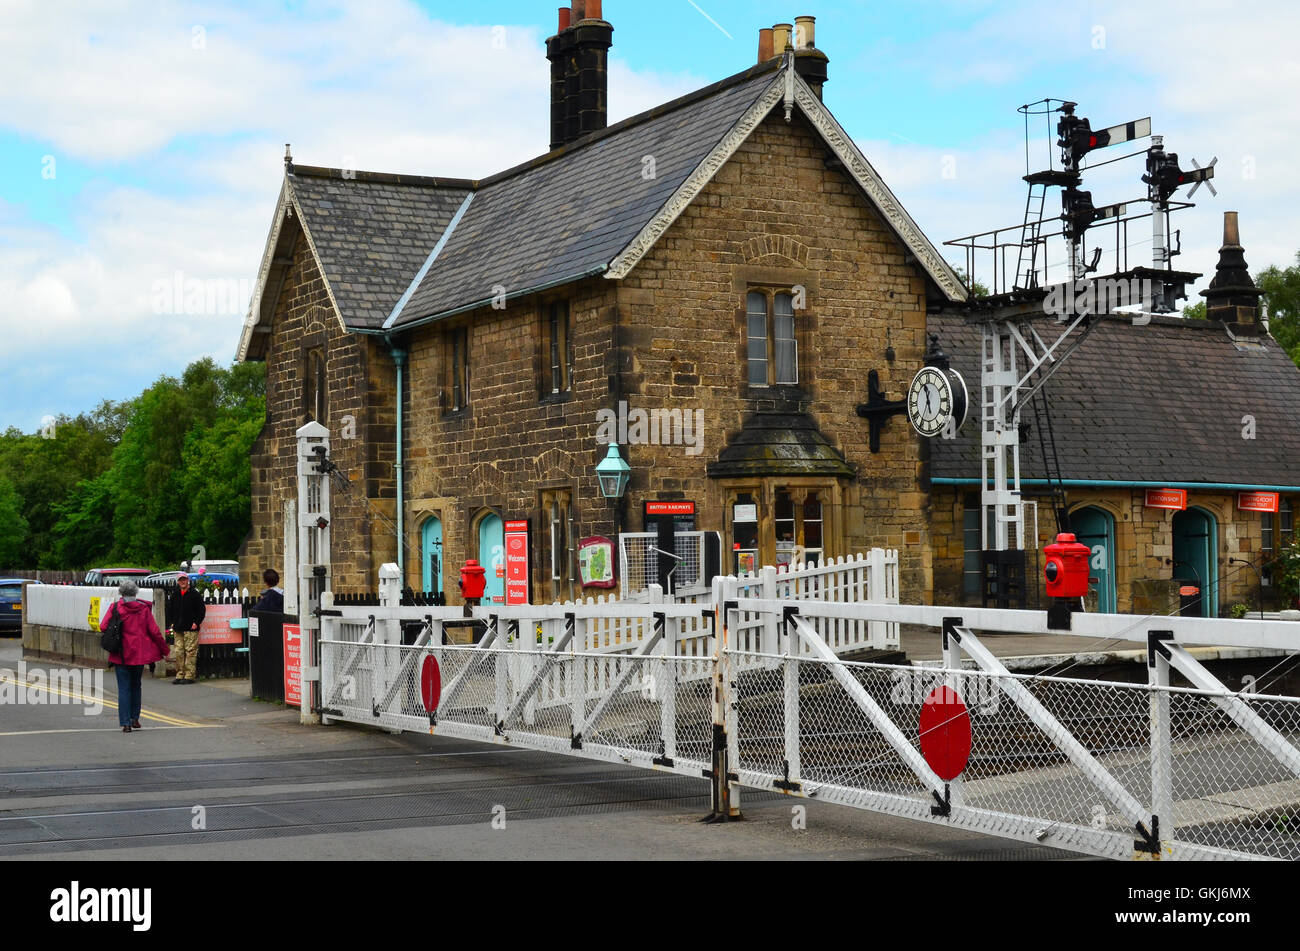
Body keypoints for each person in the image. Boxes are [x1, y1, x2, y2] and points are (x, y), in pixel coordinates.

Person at [100, 580, 169, 733]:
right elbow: (155, 632)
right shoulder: (143, 609)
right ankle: (135, 718)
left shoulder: (116, 607)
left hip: (121, 654)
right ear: (135, 593)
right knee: (136, 686)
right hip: (138, 654)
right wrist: (165, 650)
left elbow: (103, 626)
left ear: (121, 593)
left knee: (124, 688)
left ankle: (125, 723)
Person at [167, 573, 206, 684]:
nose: (182, 581)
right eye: (180, 580)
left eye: (184, 579)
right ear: (178, 582)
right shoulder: (175, 594)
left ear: (188, 580)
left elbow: (201, 610)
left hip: (191, 628)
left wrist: (196, 623)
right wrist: (172, 622)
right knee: (179, 651)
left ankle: (189, 676)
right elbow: (170, 609)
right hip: (178, 628)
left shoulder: (194, 594)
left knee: (190, 652)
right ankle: (180, 674)